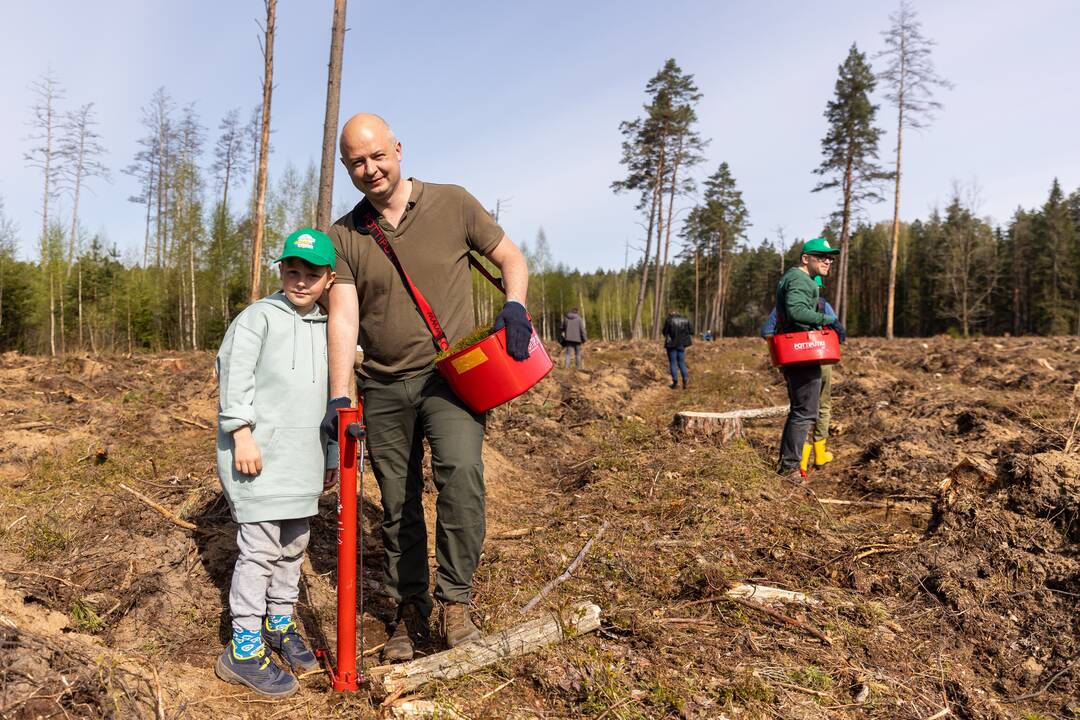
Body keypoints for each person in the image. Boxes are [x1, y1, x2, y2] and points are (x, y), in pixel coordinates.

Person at [324, 114, 532, 663]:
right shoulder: (343, 235)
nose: (369, 170)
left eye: (377, 156)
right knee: (397, 501)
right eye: (356, 163)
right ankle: (408, 608)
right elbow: (343, 317)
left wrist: (515, 305)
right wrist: (339, 395)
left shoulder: (453, 203)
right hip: (384, 385)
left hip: (453, 377)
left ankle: (455, 601)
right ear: (347, 168)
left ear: (397, 149)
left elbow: (511, 257)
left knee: (461, 476)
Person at [214, 229, 339, 698]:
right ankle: (243, 647)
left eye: (312, 274)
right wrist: (241, 434)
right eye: (293, 271)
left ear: (329, 279)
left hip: (302, 461)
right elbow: (235, 376)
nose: (301, 281)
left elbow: (330, 399)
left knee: (293, 548)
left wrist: (329, 455)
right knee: (261, 550)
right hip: (258, 459)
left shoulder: (329, 327)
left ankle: (278, 625)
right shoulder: (257, 319)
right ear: (281, 270)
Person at [761, 275, 846, 474]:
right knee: (820, 407)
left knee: (800, 409)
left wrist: (788, 343)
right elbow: (840, 333)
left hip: (793, 360)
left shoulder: (782, 308)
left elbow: (765, 330)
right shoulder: (824, 306)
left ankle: (800, 461)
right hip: (820, 356)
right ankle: (820, 454)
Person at [772, 237, 840, 483]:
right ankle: (789, 469)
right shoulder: (799, 279)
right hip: (801, 352)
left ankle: (788, 464)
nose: (827, 261)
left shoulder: (800, 279)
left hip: (800, 351)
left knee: (802, 410)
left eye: (830, 258)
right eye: (822, 257)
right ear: (805, 258)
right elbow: (797, 312)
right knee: (803, 412)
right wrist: (827, 320)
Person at [662, 310, 694, 389]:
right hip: (681, 344)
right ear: (679, 314)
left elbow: (664, 332)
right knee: (681, 362)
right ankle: (685, 379)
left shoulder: (669, 320)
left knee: (673, 363)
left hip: (671, 345)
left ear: (671, 314)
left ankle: (675, 382)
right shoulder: (685, 320)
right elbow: (692, 331)